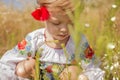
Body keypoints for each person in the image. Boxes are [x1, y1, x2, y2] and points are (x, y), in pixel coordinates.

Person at [0, 0, 105, 80]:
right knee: (24, 68)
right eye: (56, 23)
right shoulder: (35, 39)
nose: (64, 29)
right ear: (43, 18)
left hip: (66, 76)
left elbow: (93, 67)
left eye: (71, 23)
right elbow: (7, 63)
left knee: (74, 71)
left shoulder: (78, 41)